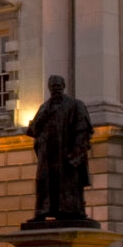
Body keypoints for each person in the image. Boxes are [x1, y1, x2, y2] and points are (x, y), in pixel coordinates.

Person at [25, 75, 95, 223]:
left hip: (66, 155)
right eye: (52, 86)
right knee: (45, 183)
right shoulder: (44, 107)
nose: (55, 89)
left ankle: (71, 211)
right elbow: (33, 130)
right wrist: (43, 115)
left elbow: (83, 131)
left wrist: (76, 154)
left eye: (58, 86)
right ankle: (43, 211)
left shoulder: (75, 105)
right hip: (48, 155)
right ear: (49, 88)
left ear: (64, 86)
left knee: (68, 186)